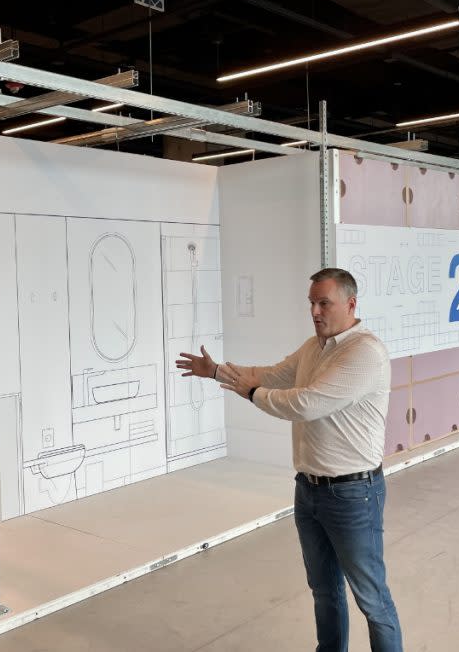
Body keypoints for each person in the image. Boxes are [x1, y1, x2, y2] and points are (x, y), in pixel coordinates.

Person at [176, 267, 402, 652]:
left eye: (324, 303)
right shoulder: (315, 347)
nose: (315, 311)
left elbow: (306, 403)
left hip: (353, 495)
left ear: (350, 304)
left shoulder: (365, 352)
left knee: (372, 598)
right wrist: (217, 371)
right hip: (310, 491)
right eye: (312, 303)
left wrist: (252, 394)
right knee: (324, 591)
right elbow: (274, 375)